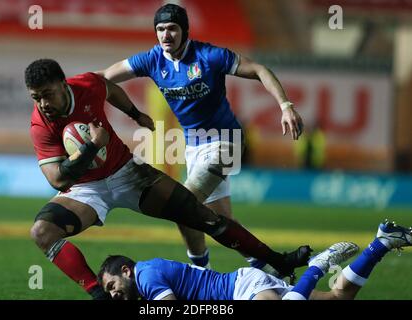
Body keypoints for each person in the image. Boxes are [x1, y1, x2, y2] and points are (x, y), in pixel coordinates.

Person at [25, 58, 311, 300]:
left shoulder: (87, 84)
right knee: (42, 232)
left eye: (47, 94)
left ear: (64, 84)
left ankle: (278, 260)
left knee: (200, 215)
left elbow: (110, 89)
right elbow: (58, 180)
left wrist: (135, 114)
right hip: (86, 189)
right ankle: (99, 296)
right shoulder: (40, 123)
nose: (42, 103)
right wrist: (90, 147)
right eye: (36, 97)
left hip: (128, 172)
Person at [96, 3, 305, 271]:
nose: (165, 35)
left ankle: (199, 273)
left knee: (183, 204)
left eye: (172, 28)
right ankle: (271, 268)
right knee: (222, 218)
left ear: (185, 31)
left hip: (227, 141)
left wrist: (286, 106)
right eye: (160, 29)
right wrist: (70, 89)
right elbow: (103, 77)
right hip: (194, 147)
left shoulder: (209, 55)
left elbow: (260, 70)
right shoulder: (152, 59)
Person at [97, 220, 411, 300]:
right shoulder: (147, 275)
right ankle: (382, 242)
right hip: (246, 286)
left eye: (112, 285)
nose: (113, 294)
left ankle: (318, 264)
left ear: (126, 270)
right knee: (339, 297)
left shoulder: (146, 277)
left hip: (240, 290)